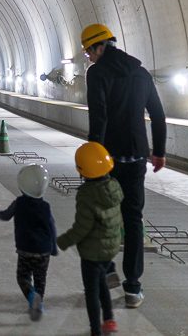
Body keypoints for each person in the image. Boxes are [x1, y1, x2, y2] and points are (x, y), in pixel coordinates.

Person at [82, 23, 167, 308]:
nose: (89, 58)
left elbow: (99, 118)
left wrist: (92, 158)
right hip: (136, 159)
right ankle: (133, 288)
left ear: (99, 47)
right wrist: (159, 152)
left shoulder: (97, 74)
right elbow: (157, 114)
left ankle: (106, 272)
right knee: (132, 221)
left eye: (88, 52)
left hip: (107, 160)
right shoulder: (141, 73)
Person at [56, 142, 124, 336]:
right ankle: (109, 319)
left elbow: (82, 228)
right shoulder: (114, 186)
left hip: (92, 253)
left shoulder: (86, 194)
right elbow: (119, 218)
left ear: (82, 170)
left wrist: (62, 241)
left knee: (92, 292)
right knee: (102, 283)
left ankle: (96, 330)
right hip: (110, 248)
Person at [0, 163, 58, 321]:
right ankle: (39, 303)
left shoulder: (19, 203)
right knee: (40, 279)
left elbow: (6, 215)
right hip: (43, 251)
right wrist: (53, 247)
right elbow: (51, 227)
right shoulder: (45, 207)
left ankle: (31, 296)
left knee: (22, 277)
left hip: (25, 249)